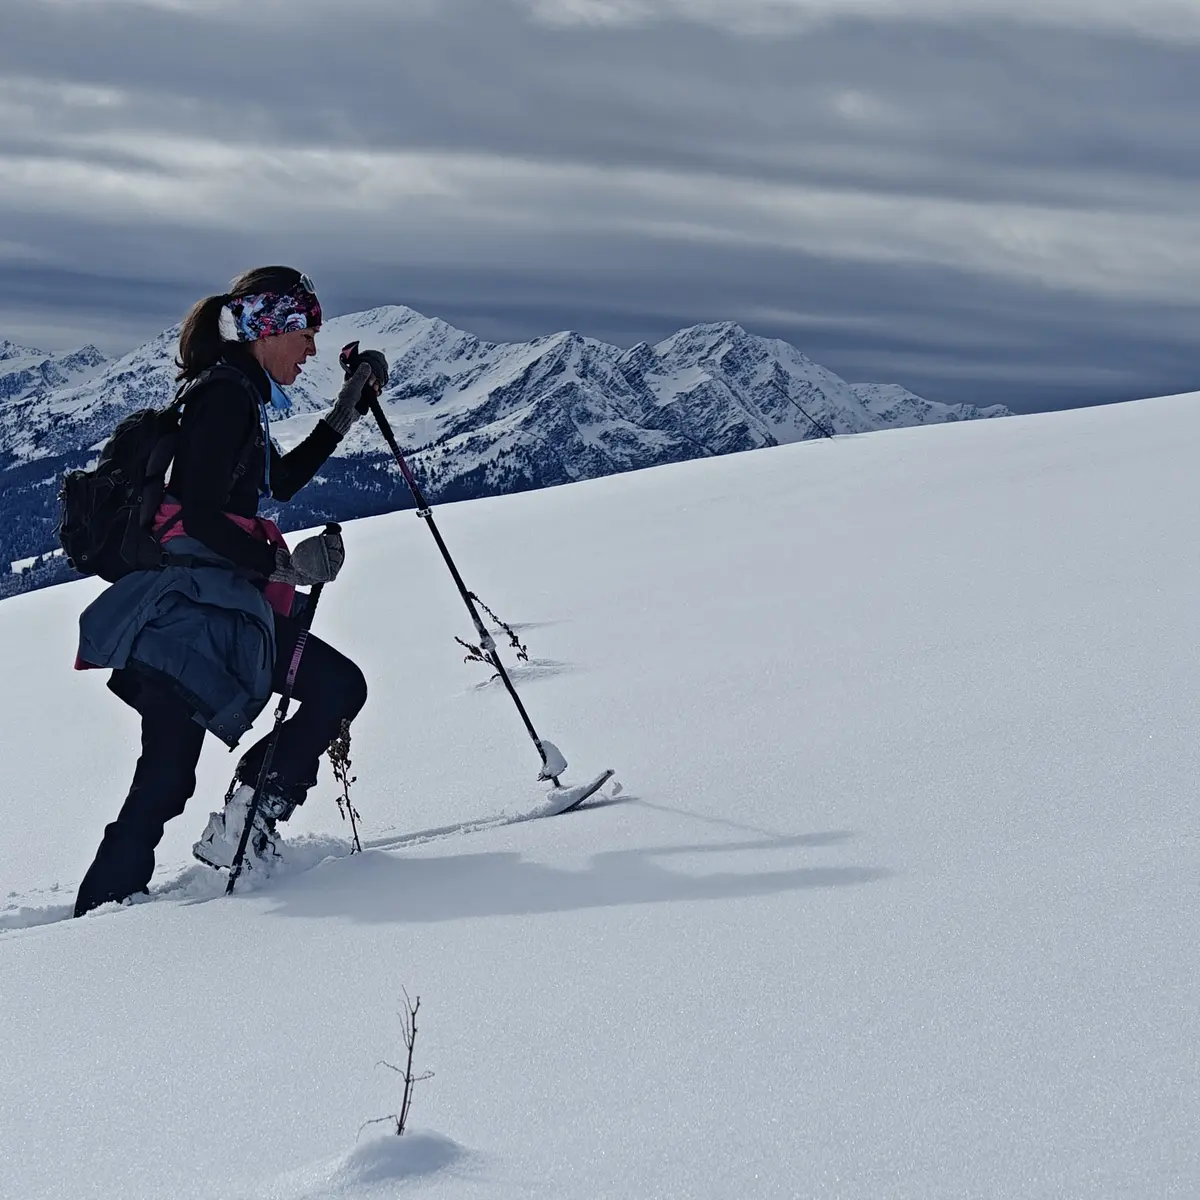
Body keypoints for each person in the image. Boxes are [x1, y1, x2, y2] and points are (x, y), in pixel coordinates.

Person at [73, 266, 385, 917]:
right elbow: (206, 517)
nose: (312, 349)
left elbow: (285, 481)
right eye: (306, 332)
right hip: (196, 614)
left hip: (199, 609)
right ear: (268, 328)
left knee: (164, 777)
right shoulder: (225, 398)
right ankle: (247, 820)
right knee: (332, 689)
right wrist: (285, 567)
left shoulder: (233, 393)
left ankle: (113, 904)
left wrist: (351, 403)